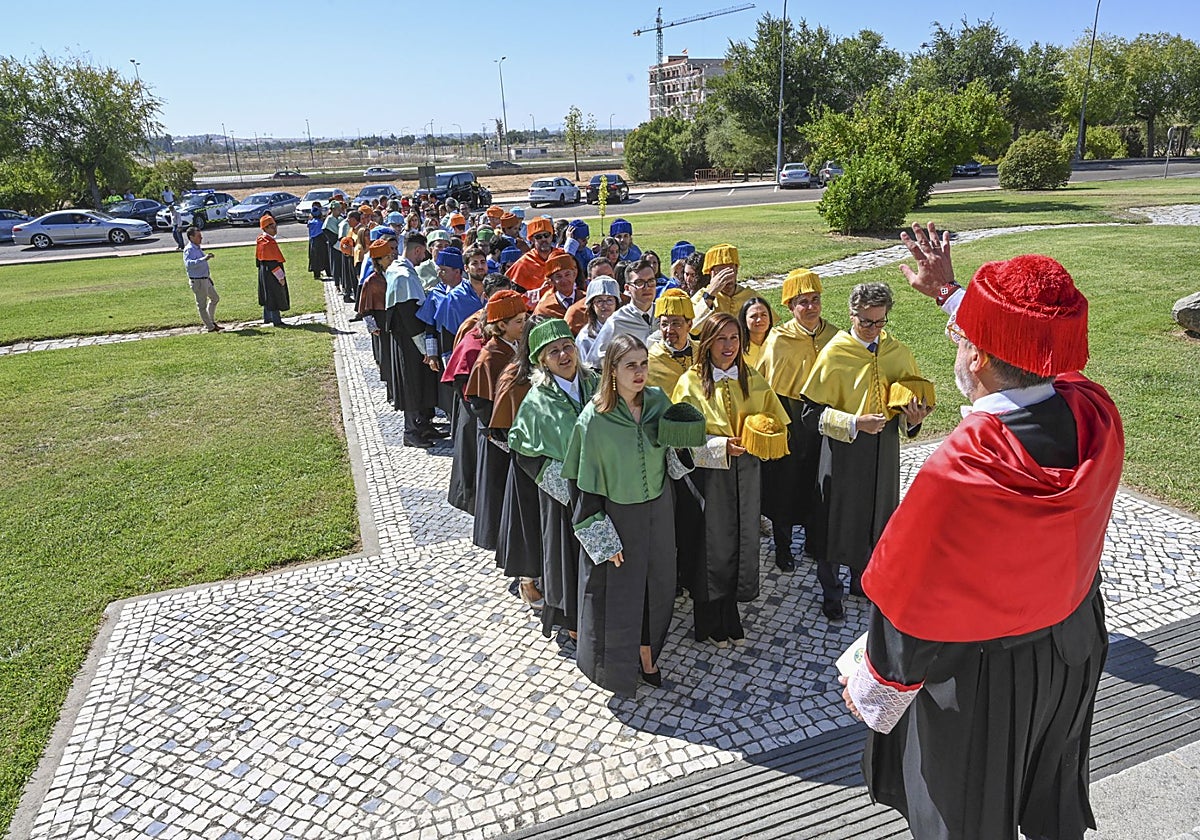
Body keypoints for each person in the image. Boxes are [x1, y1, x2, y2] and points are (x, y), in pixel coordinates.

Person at [841, 222, 1124, 840]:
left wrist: (875, 686)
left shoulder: (965, 468)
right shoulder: (1094, 412)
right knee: (1046, 793)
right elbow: (1040, 354)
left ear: (978, 357)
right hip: (1071, 649)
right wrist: (952, 296)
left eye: (964, 336)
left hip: (982, 679)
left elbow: (908, 600)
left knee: (966, 817)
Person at [799, 282, 933, 621]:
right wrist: (854, 423)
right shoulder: (835, 353)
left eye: (880, 322)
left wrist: (913, 419)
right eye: (866, 322)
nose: (873, 329)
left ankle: (864, 581)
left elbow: (908, 404)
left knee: (876, 516)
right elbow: (810, 415)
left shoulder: (897, 352)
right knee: (835, 521)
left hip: (883, 450)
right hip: (843, 452)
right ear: (852, 315)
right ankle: (831, 592)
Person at [562, 334, 683, 695]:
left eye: (644, 364)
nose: (640, 372)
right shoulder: (594, 419)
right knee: (618, 594)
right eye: (631, 365)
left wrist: (686, 440)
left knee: (658, 584)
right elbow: (581, 486)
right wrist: (602, 537)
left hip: (659, 510)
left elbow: (675, 460)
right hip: (617, 517)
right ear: (612, 370)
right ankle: (614, 668)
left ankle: (648, 653)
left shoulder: (659, 402)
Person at [672, 313, 790, 647]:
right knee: (711, 544)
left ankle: (730, 610)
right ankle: (707, 618)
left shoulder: (751, 377)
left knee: (742, 537)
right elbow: (679, 439)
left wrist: (763, 435)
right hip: (708, 477)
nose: (729, 346)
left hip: (747, 473)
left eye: (734, 338)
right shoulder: (690, 382)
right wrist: (720, 445)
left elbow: (776, 420)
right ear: (708, 342)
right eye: (721, 339)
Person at [508, 318, 601, 648]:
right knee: (567, 558)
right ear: (542, 361)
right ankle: (572, 621)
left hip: (602, 484)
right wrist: (567, 491)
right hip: (564, 496)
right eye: (554, 352)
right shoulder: (537, 401)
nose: (564, 355)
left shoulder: (597, 384)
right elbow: (524, 451)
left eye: (567, 347)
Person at [756, 269, 838, 572]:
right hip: (788, 415)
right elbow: (764, 385)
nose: (811, 307)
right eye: (803, 302)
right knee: (785, 483)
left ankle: (815, 540)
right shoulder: (778, 339)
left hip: (823, 416)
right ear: (790, 306)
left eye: (815, 299)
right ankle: (783, 545)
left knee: (820, 480)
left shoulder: (835, 337)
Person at [463, 290, 529, 553]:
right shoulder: (490, 356)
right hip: (497, 436)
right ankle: (498, 541)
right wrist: (499, 433)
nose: (524, 325)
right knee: (497, 488)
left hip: (515, 428)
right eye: (519, 322)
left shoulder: (516, 346)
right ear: (501, 325)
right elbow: (479, 402)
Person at [385, 232, 441, 448]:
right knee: (412, 384)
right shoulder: (404, 277)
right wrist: (425, 348)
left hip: (409, 338)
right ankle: (410, 431)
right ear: (417, 250)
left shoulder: (398, 269)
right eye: (423, 252)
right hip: (409, 341)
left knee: (421, 382)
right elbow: (409, 316)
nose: (423, 257)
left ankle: (423, 424)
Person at [586, 259, 658, 367]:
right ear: (627, 288)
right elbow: (596, 359)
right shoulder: (617, 321)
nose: (647, 287)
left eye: (651, 281)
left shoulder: (664, 315)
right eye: (639, 283)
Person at [691, 244, 754, 333]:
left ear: (736, 270)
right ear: (711, 273)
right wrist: (709, 296)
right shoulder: (701, 296)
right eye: (721, 273)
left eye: (730, 271)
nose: (727, 278)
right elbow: (692, 329)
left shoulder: (750, 296)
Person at [646, 289, 694, 392]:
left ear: (689, 325)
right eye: (664, 324)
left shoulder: (703, 352)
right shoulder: (650, 360)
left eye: (676, 324)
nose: (669, 330)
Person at [574, 277, 621, 367]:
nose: (605, 305)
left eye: (609, 300)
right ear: (592, 305)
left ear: (616, 303)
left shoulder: (626, 327)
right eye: (599, 301)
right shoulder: (585, 337)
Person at [182, 226, 221, 332]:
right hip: (197, 281)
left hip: (205, 279)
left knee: (215, 298)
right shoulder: (189, 249)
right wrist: (204, 258)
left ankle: (211, 321)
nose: (201, 238)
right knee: (202, 305)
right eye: (198, 236)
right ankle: (210, 326)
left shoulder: (197, 248)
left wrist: (208, 277)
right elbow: (189, 264)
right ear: (191, 237)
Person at [507, 217, 558, 291]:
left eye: (546, 235)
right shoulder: (524, 263)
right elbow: (516, 293)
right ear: (532, 239)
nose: (543, 239)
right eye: (538, 237)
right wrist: (538, 292)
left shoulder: (561, 256)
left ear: (551, 236)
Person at [255, 215, 289, 327]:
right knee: (274, 295)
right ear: (265, 228)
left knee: (267, 294)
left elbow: (258, 259)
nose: (275, 229)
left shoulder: (260, 240)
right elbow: (272, 262)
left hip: (264, 271)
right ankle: (276, 320)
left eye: (275, 225)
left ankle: (267, 318)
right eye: (271, 227)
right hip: (271, 272)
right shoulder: (268, 243)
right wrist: (280, 277)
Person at [532, 253, 583, 319]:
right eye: (558, 276)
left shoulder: (586, 300)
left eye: (567, 275)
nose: (564, 280)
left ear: (574, 275)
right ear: (551, 281)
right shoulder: (544, 309)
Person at [738, 297, 773, 370]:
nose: (759, 319)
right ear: (744, 321)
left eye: (763, 315)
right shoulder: (737, 348)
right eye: (753, 316)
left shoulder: (778, 344)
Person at [307, 204, 329, 280]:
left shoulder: (310, 222)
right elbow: (323, 233)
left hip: (312, 241)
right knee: (324, 257)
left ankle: (316, 274)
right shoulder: (320, 223)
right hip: (320, 241)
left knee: (314, 258)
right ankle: (328, 272)